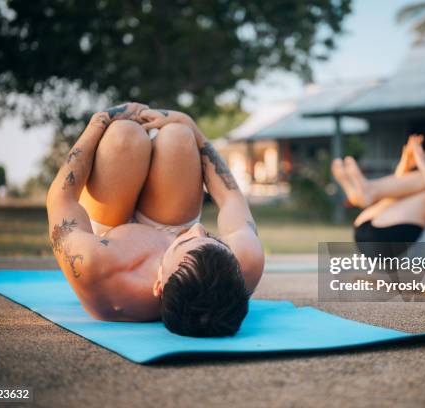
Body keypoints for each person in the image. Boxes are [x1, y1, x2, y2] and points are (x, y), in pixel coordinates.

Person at [46, 102, 264, 337]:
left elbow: (61, 198)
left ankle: (122, 135)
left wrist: (96, 124)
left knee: (123, 134)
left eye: (186, 241)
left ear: (159, 284)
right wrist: (195, 131)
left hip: (109, 231)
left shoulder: (97, 267)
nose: (199, 228)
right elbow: (231, 197)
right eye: (213, 238)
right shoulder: (244, 263)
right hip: (168, 220)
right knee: (179, 135)